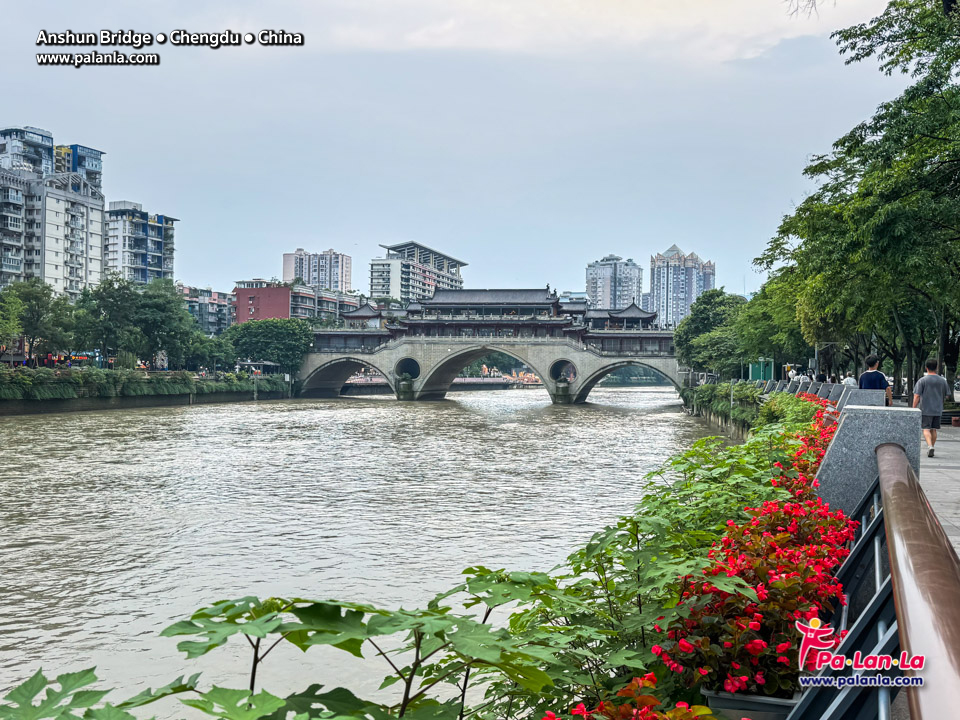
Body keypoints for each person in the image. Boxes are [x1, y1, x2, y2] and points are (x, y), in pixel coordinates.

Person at [913, 358, 951, 457]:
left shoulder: (922, 380)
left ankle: (930, 446)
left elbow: (916, 396)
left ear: (926, 368)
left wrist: (913, 408)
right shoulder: (943, 381)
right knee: (934, 429)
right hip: (938, 409)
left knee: (926, 429)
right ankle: (932, 446)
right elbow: (947, 395)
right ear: (937, 367)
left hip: (926, 409)